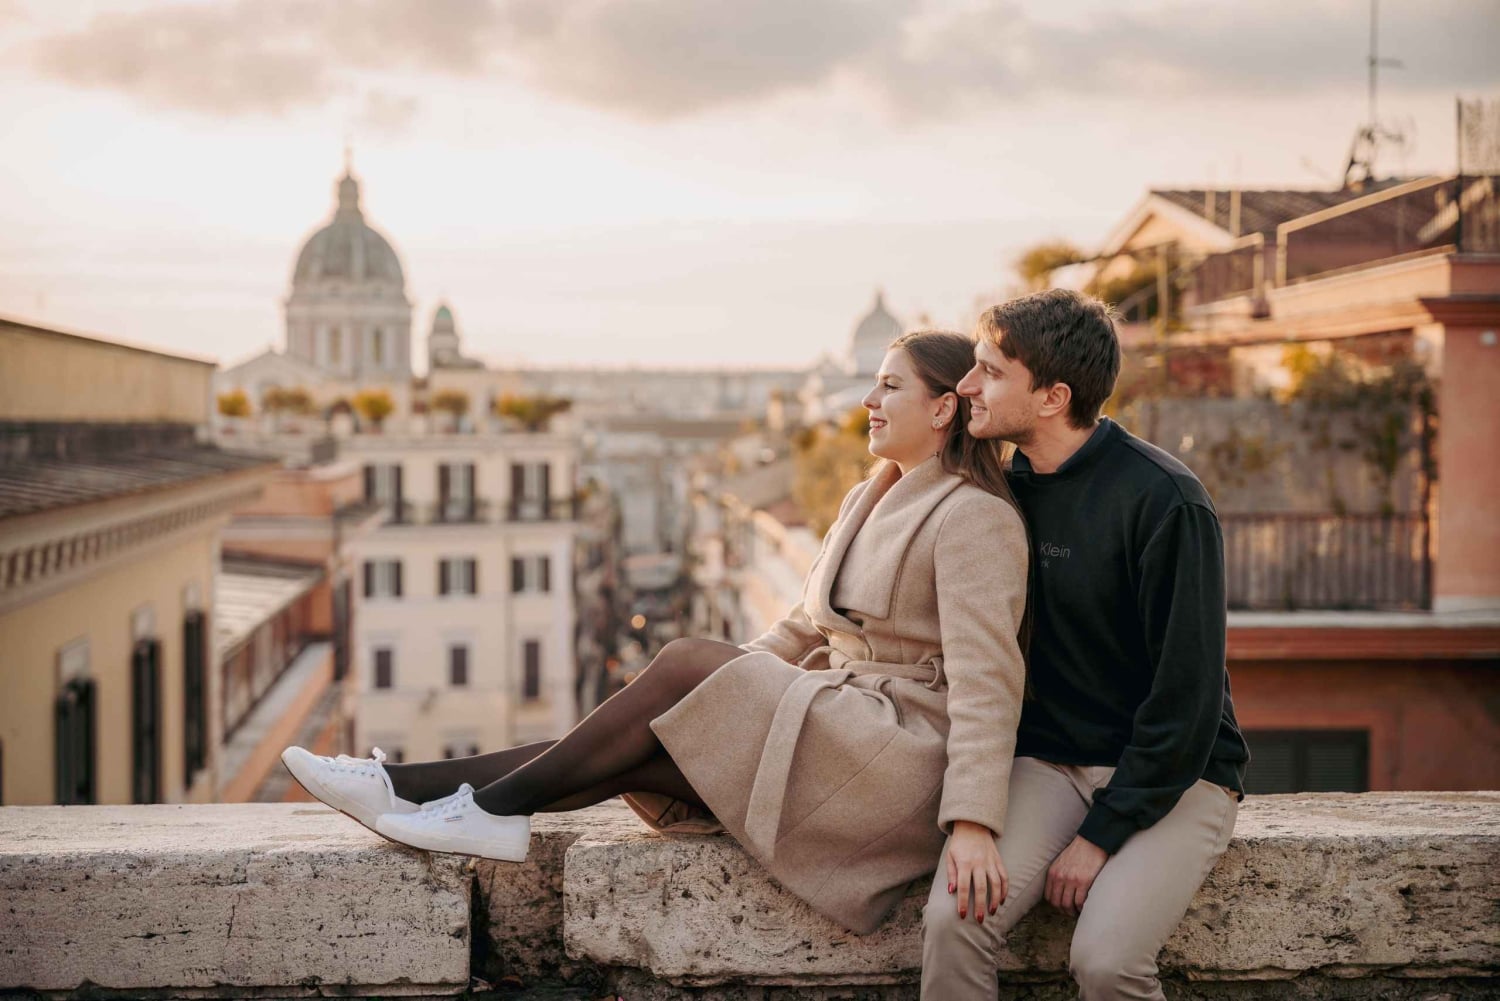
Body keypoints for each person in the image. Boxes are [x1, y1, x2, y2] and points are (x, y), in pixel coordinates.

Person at [282, 329, 1030, 937]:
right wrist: (726, 689)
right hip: (843, 728)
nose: (868, 400)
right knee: (643, 748)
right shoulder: (867, 497)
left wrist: (972, 822)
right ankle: (408, 788)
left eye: (890, 386)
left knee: (682, 663)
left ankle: (475, 808)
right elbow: (804, 625)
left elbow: (988, 683)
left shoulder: (975, 516)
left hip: (899, 759)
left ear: (943, 409)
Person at [919, 288, 1251, 999]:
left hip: (1174, 774)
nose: (967, 385)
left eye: (990, 371)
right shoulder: (996, 495)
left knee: (1106, 960)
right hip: (1049, 764)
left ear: (1053, 397)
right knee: (952, 922)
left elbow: (1186, 701)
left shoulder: (1165, 499)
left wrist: (1100, 835)